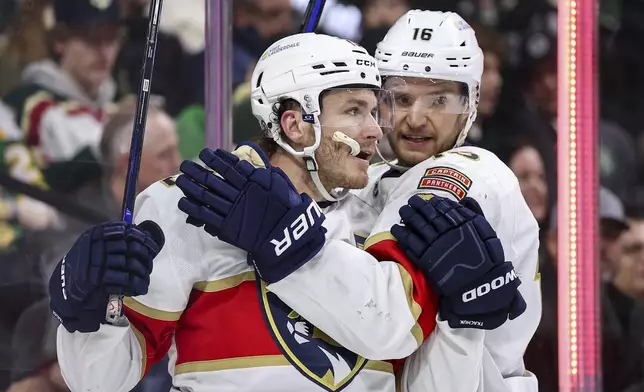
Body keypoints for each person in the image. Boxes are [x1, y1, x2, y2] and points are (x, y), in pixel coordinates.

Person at [49, 33, 516, 392]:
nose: (377, 131)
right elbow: (102, 380)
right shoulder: (190, 204)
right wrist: (90, 311)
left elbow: (395, 335)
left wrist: (289, 238)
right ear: (295, 123)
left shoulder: (387, 208)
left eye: (375, 111)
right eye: (354, 110)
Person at [361, 10, 541, 391]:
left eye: (439, 101)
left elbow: (378, 314)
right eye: (402, 98)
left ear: (470, 104)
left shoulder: (475, 174)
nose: (415, 119)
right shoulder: (365, 181)